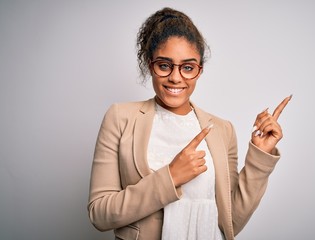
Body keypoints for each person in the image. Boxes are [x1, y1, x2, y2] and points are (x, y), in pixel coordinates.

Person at [88, 7, 291, 240]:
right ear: (149, 63)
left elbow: (231, 220)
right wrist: (171, 177)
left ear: (199, 70)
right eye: (164, 65)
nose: (176, 77)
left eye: (188, 67)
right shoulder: (120, 117)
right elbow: (99, 213)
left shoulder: (223, 130)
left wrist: (259, 158)